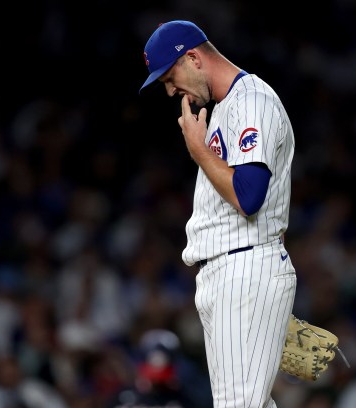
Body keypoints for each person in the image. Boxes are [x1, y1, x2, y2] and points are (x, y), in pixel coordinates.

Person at [139, 20, 297, 408]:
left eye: (169, 77)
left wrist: (198, 151)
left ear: (193, 57)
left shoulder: (252, 101)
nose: (171, 89)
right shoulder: (229, 106)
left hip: (244, 270)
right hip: (235, 271)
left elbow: (249, 196)